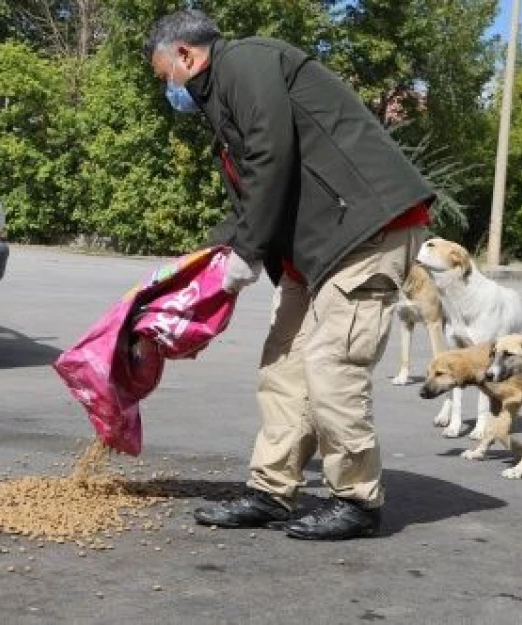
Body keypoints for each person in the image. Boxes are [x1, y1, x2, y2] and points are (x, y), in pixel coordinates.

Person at [145, 9, 434, 541]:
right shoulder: (226, 99)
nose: (170, 89)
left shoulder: (246, 63)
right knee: (283, 363)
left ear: (185, 55)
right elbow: (255, 191)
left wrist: (247, 254)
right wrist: (200, 265)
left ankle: (357, 500)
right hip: (317, 249)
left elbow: (271, 156)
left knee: (331, 362)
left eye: (165, 76)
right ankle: (272, 490)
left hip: (366, 230)